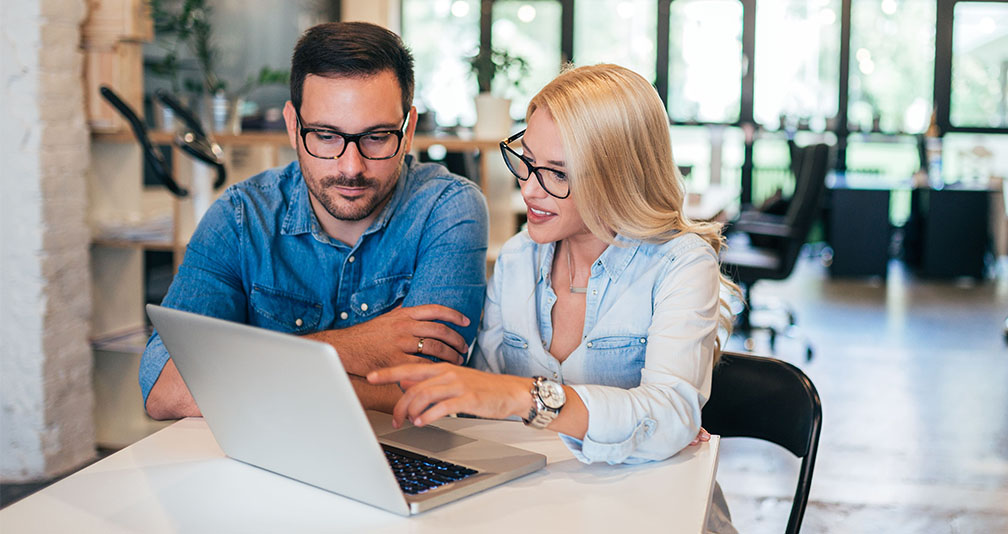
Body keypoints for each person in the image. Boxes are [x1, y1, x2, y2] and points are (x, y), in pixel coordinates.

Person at [367, 63, 739, 463]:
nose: (528, 188)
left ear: (617, 177)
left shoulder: (680, 264)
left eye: (557, 174)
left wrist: (523, 397)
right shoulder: (517, 258)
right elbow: (482, 409)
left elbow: (669, 417)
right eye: (526, 159)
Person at [140, 22, 488, 419]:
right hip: (267, 462)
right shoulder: (240, 218)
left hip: (407, 460)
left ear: (407, 131)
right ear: (293, 126)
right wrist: (355, 346)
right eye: (325, 136)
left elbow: (430, 390)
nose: (351, 167)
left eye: (376, 137)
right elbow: (165, 389)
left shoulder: (448, 208)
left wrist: (247, 377)